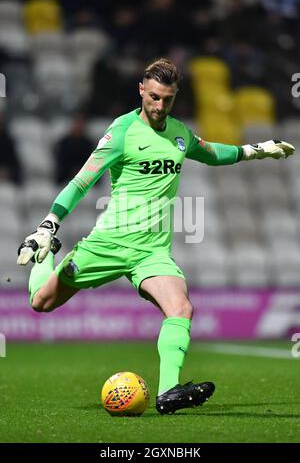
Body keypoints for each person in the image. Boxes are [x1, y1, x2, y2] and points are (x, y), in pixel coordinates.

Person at [17, 58, 295, 415]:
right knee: (41, 302)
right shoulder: (122, 131)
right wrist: (49, 225)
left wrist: (252, 151)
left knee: (181, 308)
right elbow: (82, 180)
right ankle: (48, 254)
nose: (160, 106)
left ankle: (168, 392)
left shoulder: (178, 133)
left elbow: (210, 153)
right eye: (153, 97)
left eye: (167, 99)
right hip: (109, 244)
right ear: (141, 91)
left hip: (152, 252)